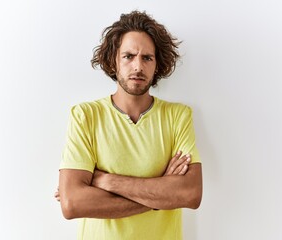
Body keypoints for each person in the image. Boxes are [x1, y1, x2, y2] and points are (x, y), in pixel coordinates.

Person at [55, 10, 203, 240]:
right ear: (114, 60)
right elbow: (72, 203)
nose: (138, 66)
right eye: (129, 56)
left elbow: (190, 194)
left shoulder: (177, 116)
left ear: (157, 64)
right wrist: (162, 192)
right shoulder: (86, 116)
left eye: (147, 58)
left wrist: (106, 181)